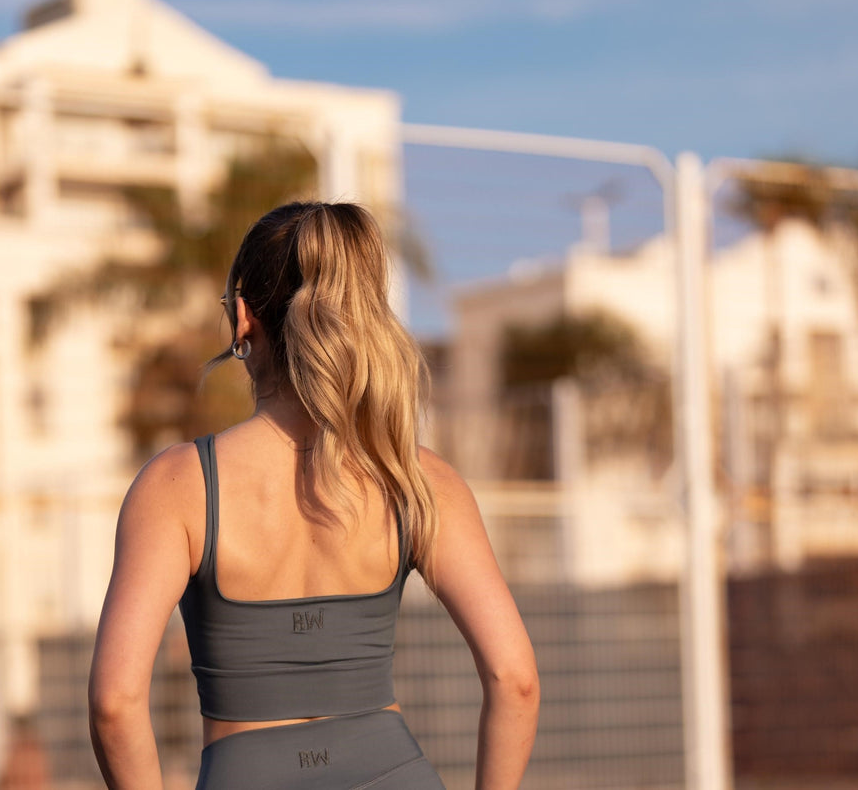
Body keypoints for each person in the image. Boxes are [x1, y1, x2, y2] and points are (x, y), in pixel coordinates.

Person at [89, 201, 539, 790]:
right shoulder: (416, 479)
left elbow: (116, 702)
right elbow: (516, 680)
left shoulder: (179, 485)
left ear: (243, 318)